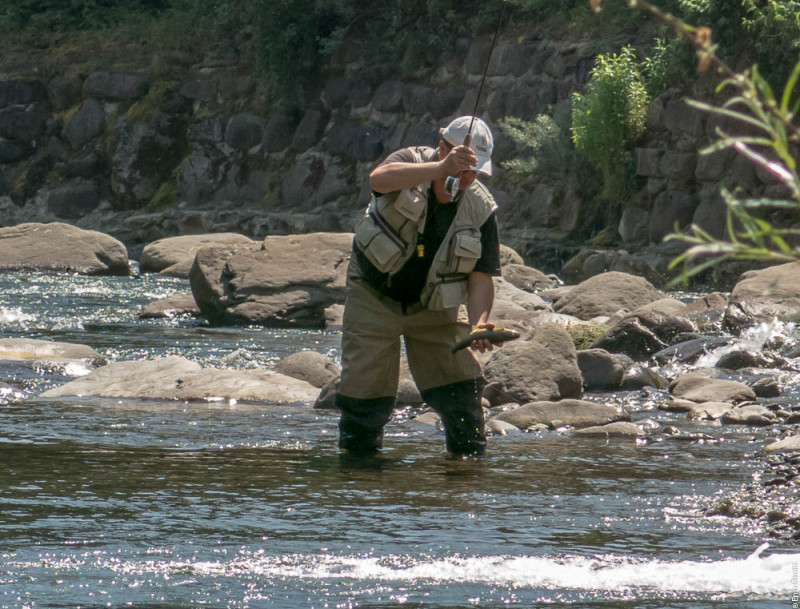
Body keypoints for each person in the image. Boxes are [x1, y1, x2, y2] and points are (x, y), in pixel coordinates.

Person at [335, 115, 504, 458]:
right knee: (364, 399)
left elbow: (480, 278)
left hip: (434, 307)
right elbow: (378, 179)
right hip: (373, 295)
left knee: (462, 392)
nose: (466, 178)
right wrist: (441, 168)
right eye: (462, 167)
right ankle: (358, 476)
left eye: (474, 172)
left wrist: (479, 323)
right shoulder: (409, 161)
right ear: (442, 148)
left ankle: (467, 474)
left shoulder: (481, 209)